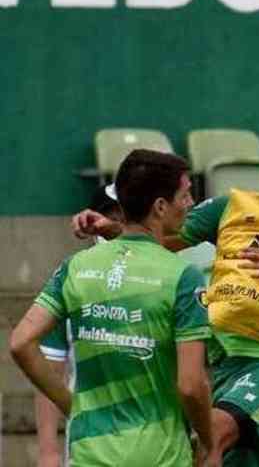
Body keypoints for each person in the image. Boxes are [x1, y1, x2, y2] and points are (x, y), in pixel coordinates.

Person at [72, 128, 259, 466]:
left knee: (209, 436)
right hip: (222, 367)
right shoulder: (231, 207)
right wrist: (108, 227)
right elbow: (159, 241)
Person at [11, 150, 219, 467]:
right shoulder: (182, 276)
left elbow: (20, 343)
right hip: (160, 457)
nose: (191, 204)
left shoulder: (75, 267)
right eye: (186, 195)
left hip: (90, 455)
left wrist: (75, 408)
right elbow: (191, 385)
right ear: (161, 207)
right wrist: (209, 443)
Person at [35, 183, 123, 467]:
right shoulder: (71, 280)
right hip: (89, 446)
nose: (115, 225)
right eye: (111, 215)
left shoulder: (175, 277)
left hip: (160, 445)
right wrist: (48, 452)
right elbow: (50, 369)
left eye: (125, 216)